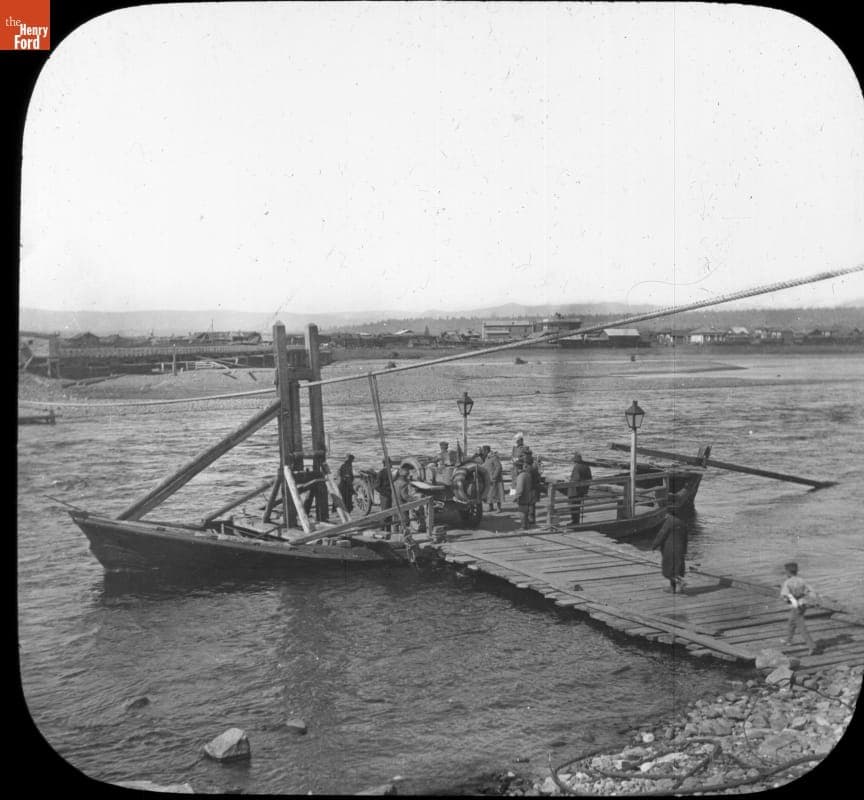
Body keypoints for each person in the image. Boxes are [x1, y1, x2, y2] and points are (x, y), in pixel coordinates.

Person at [780, 562, 819, 655]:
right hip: (803, 604)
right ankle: (788, 640)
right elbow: (812, 592)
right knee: (791, 622)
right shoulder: (802, 580)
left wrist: (788, 600)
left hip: (795, 606)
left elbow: (785, 595)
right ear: (797, 571)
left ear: (787, 572)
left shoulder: (787, 582)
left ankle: (812, 646)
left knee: (801, 627)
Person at [651, 512, 688, 593]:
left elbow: (662, 534)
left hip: (669, 549)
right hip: (679, 549)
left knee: (667, 571)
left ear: (669, 514)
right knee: (675, 569)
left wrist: (654, 545)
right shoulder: (683, 523)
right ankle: (673, 588)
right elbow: (686, 539)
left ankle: (680, 582)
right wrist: (684, 550)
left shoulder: (669, 521)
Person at [568, 452, 592, 524]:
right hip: (583, 490)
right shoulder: (586, 466)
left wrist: (570, 480)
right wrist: (585, 490)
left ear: (575, 461)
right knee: (577, 506)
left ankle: (574, 522)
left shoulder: (576, 467)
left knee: (573, 506)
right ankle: (576, 521)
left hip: (575, 491)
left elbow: (576, 479)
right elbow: (590, 478)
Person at [510, 459, 534, 530]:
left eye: (514, 468)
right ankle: (527, 525)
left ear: (517, 468)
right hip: (529, 495)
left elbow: (520, 489)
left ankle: (523, 526)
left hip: (523, 497)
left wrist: (515, 497)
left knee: (521, 512)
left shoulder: (521, 476)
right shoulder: (527, 474)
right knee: (525, 511)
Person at [375, 457, 393, 532]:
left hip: (389, 495)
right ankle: (382, 530)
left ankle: (388, 531)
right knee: (385, 514)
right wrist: (385, 493)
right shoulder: (381, 473)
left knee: (389, 514)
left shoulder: (390, 472)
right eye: (390, 462)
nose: (391, 464)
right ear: (387, 463)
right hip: (385, 496)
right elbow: (376, 486)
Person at [484, 447, 504, 512]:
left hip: (496, 479)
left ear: (487, 450)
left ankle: (499, 508)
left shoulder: (494, 457)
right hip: (489, 479)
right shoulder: (487, 458)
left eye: (484, 450)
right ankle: (490, 507)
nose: (483, 452)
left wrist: (494, 476)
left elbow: (499, 467)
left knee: (497, 494)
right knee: (489, 494)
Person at [524, 451, 541, 525]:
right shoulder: (533, 468)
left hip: (530, 489)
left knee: (530, 505)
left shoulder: (529, 469)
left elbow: (527, 480)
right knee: (532, 505)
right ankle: (532, 519)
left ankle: (531, 519)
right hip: (534, 488)